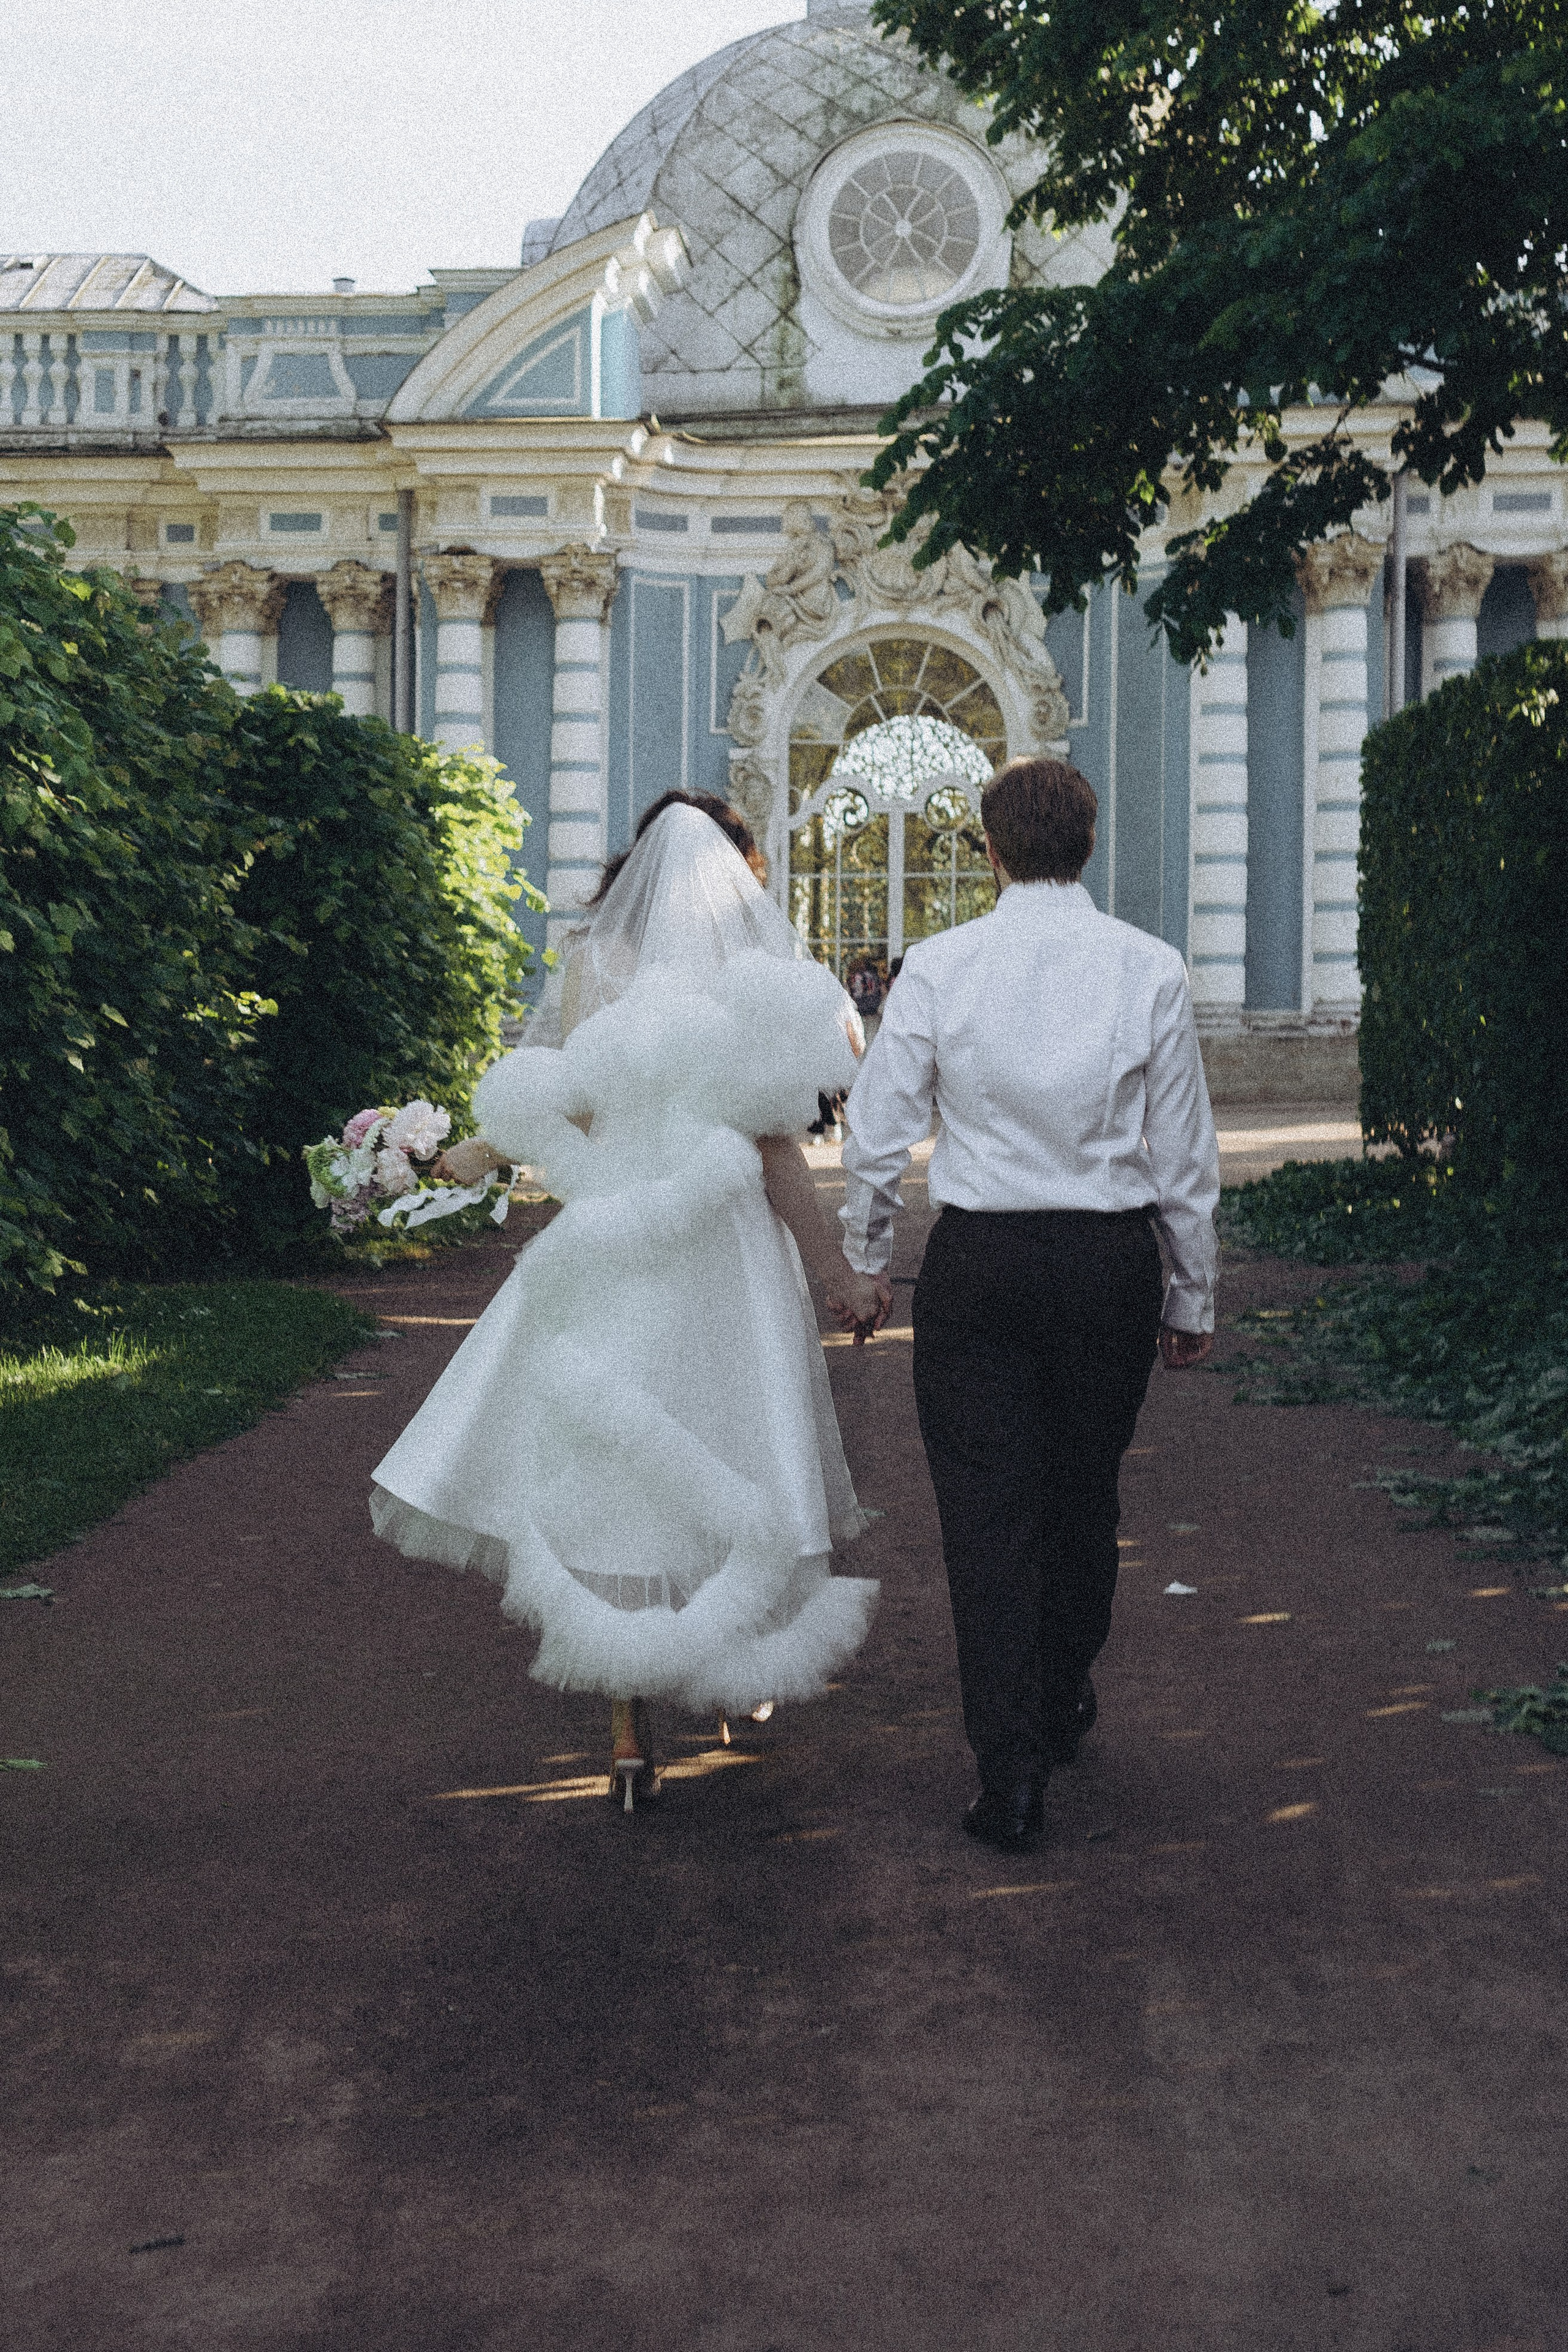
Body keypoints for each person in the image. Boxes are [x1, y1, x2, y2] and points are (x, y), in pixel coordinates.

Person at [369, 795, 884, 1809]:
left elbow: (564, 1101)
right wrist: (835, 1278)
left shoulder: (595, 969)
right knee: (731, 1440)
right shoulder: (756, 989)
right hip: (723, 1250)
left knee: (614, 1462)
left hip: (613, 1239)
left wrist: (430, 1162)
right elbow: (780, 1151)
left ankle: (624, 1733)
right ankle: (731, 1678)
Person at [839, 756, 1219, 1853]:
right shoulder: (1148, 967)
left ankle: (1009, 1775)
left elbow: (876, 1134)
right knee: (1082, 1494)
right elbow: (1182, 1153)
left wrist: (867, 1261)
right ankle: (1058, 1700)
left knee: (986, 1519)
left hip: (980, 1270)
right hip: (1107, 1264)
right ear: (1087, 845)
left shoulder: (942, 967)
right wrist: (1192, 1289)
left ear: (991, 851)